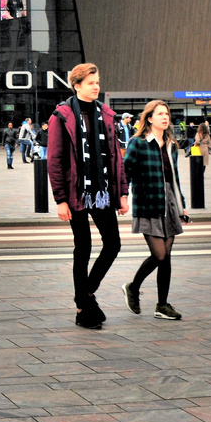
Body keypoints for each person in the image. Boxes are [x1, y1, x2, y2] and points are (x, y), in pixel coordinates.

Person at [49, 63, 128, 329]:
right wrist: (60, 199)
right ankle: (84, 306)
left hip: (102, 191)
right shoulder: (61, 116)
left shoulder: (106, 115)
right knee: (83, 248)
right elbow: (55, 160)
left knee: (113, 244)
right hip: (75, 191)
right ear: (77, 85)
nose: (97, 86)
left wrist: (122, 193)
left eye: (98, 81)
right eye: (92, 82)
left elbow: (116, 157)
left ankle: (84, 294)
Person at [123, 99, 184, 321]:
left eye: (167, 114)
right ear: (149, 118)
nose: (165, 117)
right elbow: (126, 172)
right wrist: (123, 197)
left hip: (168, 202)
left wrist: (181, 206)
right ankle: (133, 286)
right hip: (148, 202)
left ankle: (162, 305)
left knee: (166, 257)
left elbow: (174, 179)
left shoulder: (171, 145)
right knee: (159, 254)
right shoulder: (138, 143)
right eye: (160, 114)